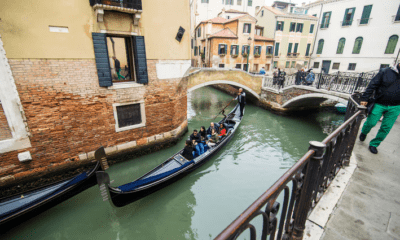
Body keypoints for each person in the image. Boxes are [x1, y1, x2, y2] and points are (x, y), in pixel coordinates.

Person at [359, 62, 400, 154]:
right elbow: (372, 85)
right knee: (371, 123)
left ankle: (374, 144)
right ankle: (364, 132)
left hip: (396, 106)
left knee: (386, 128)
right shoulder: (385, 71)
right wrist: (365, 98)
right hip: (379, 103)